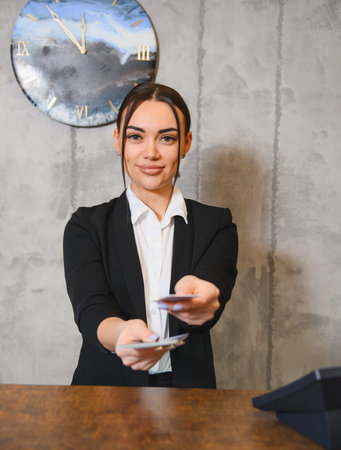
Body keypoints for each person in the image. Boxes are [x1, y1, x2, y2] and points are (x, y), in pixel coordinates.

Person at [63, 82, 238, 388]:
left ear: (186, 143)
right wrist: (122, 336)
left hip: (190, 396)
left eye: (167, 138)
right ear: (118, 141)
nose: (151, 153)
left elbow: (211, 301)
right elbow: (91, 311)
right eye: (136, 137)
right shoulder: (86, 226)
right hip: (103, 395)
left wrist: (200, 299)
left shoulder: (217, 224)